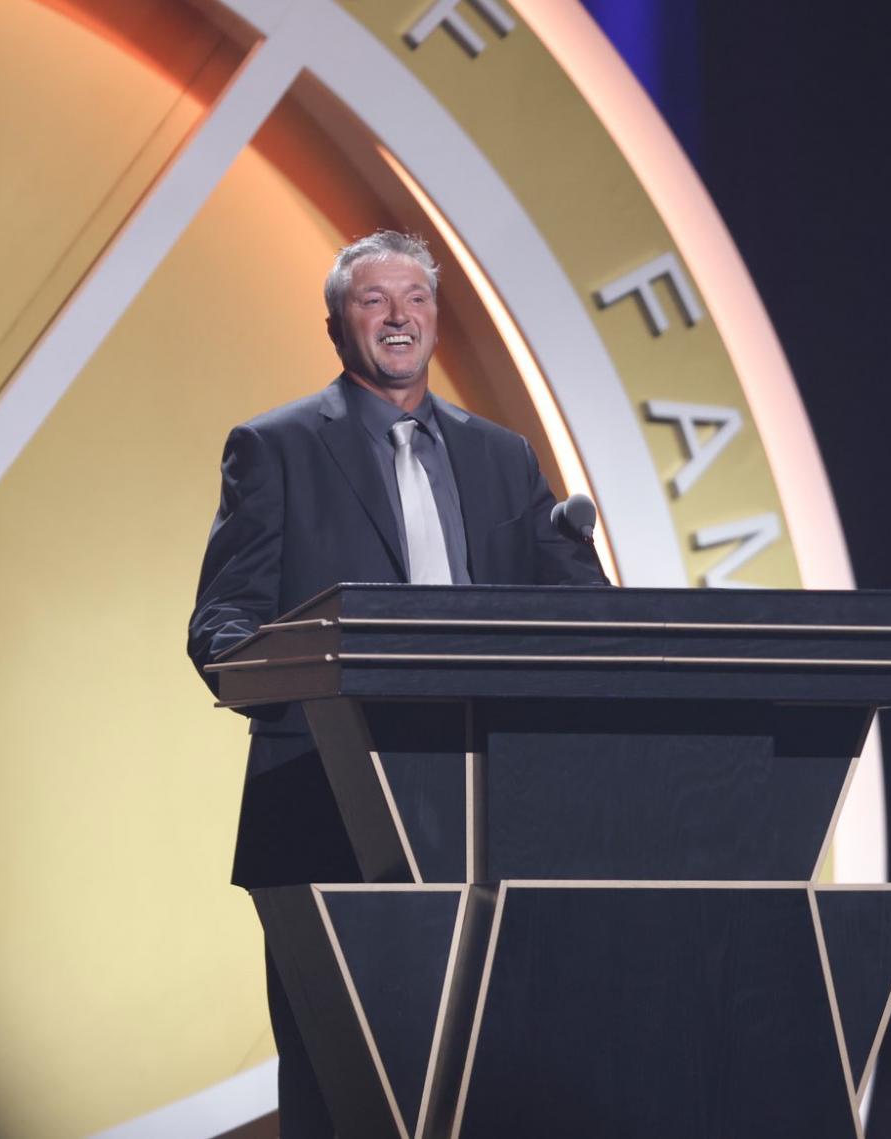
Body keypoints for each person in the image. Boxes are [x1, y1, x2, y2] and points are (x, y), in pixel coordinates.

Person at [186, 230, 606, 1136]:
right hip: (325, 800)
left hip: (489, 810)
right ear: (338, 325)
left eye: (414, 298)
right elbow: (220, 622)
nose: (397, 317)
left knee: (483, 1080)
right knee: (340, 1085)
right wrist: (294, 674)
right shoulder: (275, 447)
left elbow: (582, 612)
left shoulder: (502, 454)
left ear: (435, 319)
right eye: (373, 300)